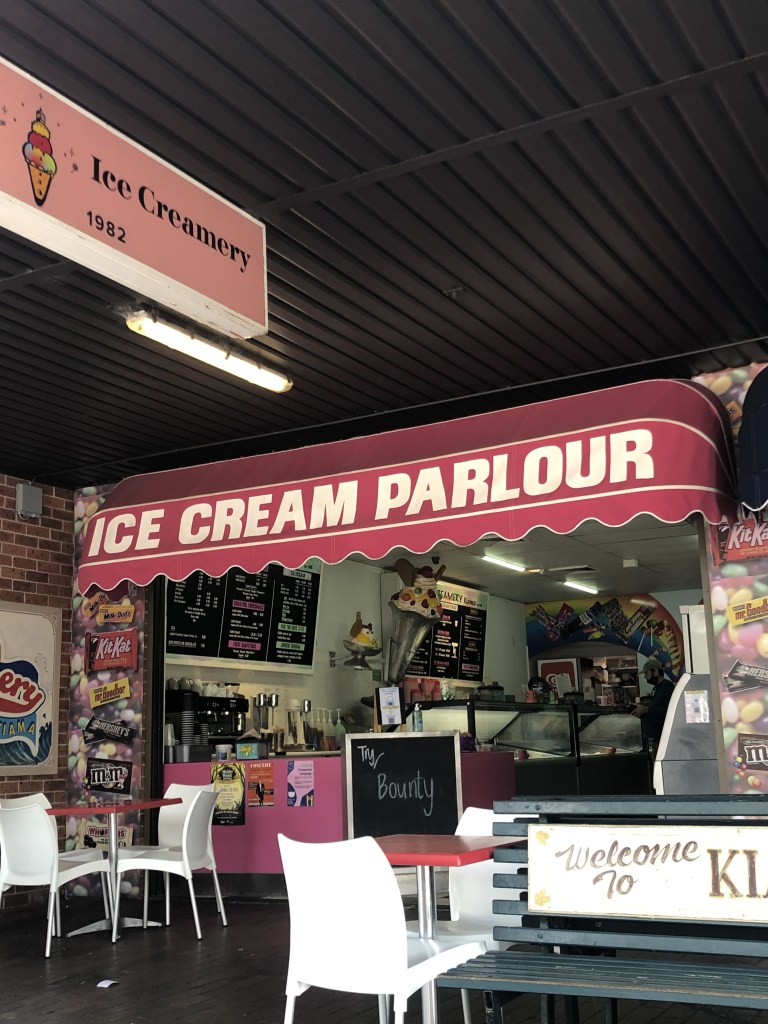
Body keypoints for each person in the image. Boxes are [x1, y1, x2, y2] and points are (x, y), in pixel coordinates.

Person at [632, 657, 674, 750]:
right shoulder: (656, 688)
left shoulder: (667, 686)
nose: (645, 677)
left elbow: (670, 711)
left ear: (655, 672)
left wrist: (646, 709)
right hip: (657, 737)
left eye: (646, 673)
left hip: (664, 737)